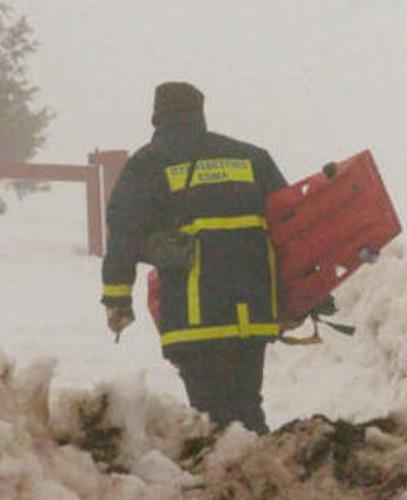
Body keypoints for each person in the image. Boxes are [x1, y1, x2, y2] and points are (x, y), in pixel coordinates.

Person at [100, 82, 291, 434]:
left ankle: (235, 479)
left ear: (157, 117)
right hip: (253, 314)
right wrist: (300, 295)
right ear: (200, 113)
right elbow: (291, 226)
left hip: (195, 315)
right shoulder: (251, 158)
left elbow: (124, 232)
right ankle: (264, 472)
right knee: (247, 404)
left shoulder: (147, 165)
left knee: (211, 416)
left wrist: (117, 299)